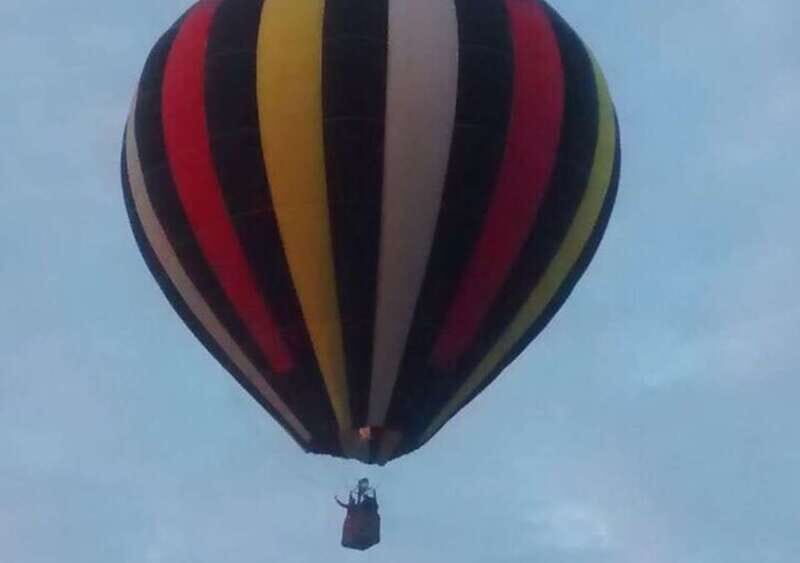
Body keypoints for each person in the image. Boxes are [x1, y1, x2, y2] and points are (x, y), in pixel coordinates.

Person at [335, 478, 380, 550]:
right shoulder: (354, 499)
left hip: (365, 522)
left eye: (365, 484)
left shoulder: (369, 497)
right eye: (363, 484)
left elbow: (374, 506)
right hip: (357, 525)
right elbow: (347, 506)